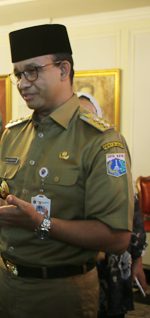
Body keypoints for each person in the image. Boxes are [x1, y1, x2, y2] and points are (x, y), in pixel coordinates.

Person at [0, 24, 134, 318]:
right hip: (3, 281)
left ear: (63, 69)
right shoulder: (13, 133)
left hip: (61, 291)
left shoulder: (101, 141)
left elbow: (116, 237)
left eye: (32, 70)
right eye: (18, 74)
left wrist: (38, 222)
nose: (22, 83)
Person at [77, 92, 148, 318]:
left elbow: (133, 214)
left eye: (89, 115)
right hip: (77, 264)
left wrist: (137, 261)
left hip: (113, 262)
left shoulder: (112, 152)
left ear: (99, 117)